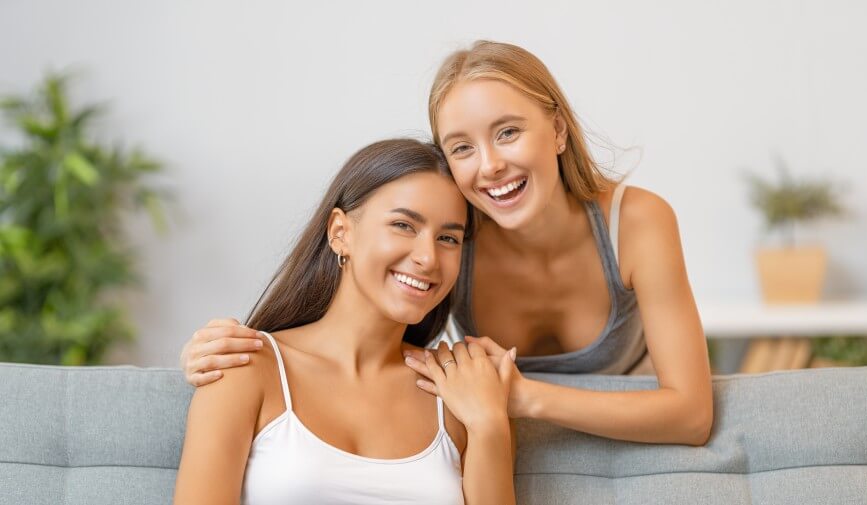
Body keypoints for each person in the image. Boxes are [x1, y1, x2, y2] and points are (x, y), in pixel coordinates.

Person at [180, 41, 713, 446]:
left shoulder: (636, 222)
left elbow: (691, 414)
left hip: (638, 445)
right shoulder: (452, 239)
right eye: (462, 147)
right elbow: (358, 323)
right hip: (508, 446)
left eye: (507, 132)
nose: (490, 166)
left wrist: (524, 396)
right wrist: (233, 352)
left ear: (557, 131)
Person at [173, 139, 516, 505]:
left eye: (448, 238)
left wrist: (489, 425)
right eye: (403, 225)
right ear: (340, 232)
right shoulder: (245, 366)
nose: (428, 258)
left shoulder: (456, 393)